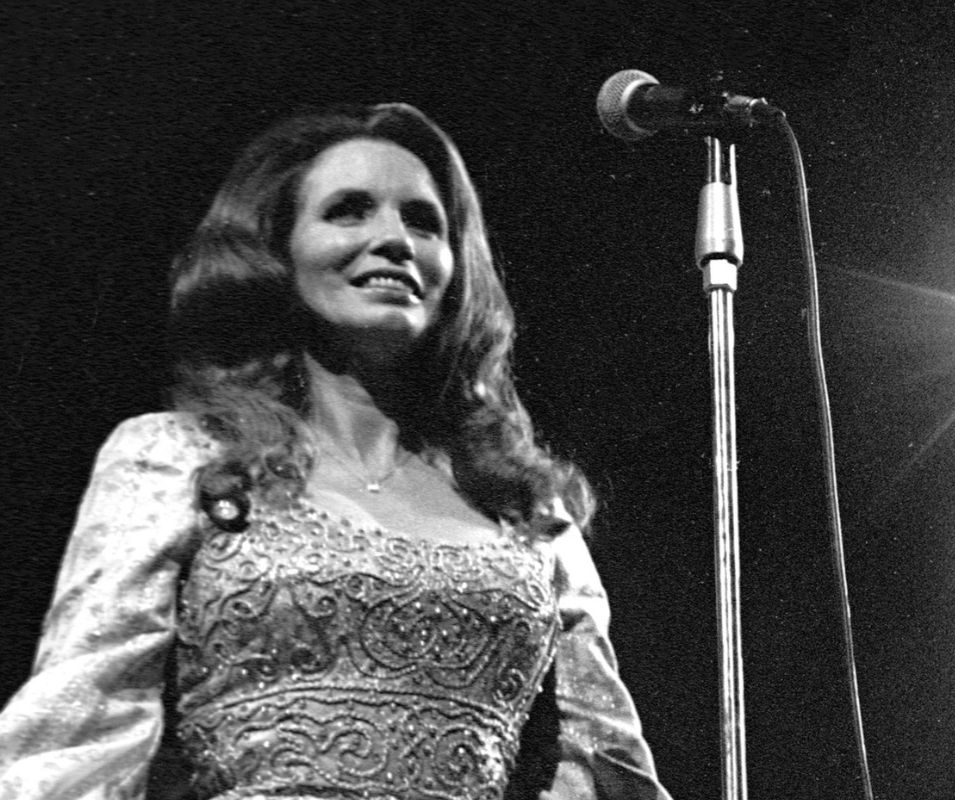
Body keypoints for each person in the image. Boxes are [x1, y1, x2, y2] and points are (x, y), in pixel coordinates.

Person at [0, 104, 672, 799]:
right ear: (273, 251)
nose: (394, 240)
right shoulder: (174, 459)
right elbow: (77, 734)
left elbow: (604, 763)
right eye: (349, 211)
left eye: (423, 221)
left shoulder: (526, 507)